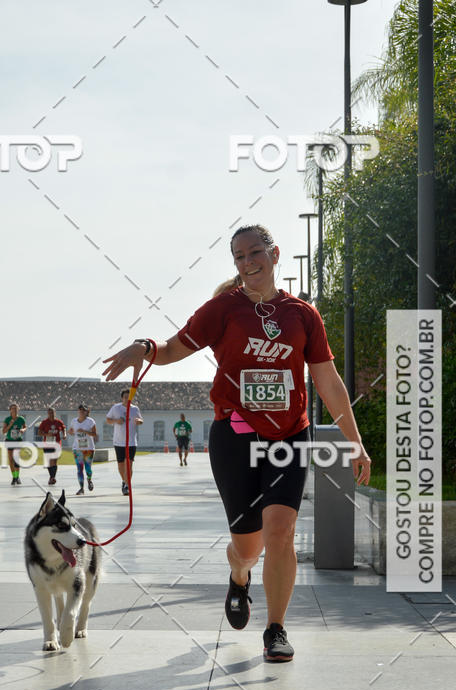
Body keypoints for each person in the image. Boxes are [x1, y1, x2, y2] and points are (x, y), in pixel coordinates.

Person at [103, 223, 371, 663]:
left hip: (288, 436)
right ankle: (239, 574)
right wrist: (144, 346)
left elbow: (327, 379)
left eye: (254, 253)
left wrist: (354, 440)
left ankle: (276, 629)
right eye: (239, 257)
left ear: (274, 254)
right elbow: (173, 349)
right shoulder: (222, 309)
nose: (248, 263)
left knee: (281, 531)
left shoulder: (303, 315)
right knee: (249, 545)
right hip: (236, 438)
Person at [106, 389, 144, 496]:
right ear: (122, 398)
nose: (127, 399)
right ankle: (124, 481)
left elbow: (141, 420)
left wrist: (139, 422)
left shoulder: (135, 409)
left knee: (129, 464)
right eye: (125, 397)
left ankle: (127, 485)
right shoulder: (116, 408)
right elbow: (108, 420)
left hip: (131, 442)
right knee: (121, 466)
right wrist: (116, 421)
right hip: (119, 442)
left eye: (129, 397)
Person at [68, 404, 98, 495]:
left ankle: (89, 480)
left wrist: (85, 431)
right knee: (79, 469)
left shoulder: (90, 421)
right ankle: (81, 488)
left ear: (86, 412)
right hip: (77, 448)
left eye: (83, 410)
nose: (81, 411)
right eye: (80, 410)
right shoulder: (73, 421)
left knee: (88, 468)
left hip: (88, 448)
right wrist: (70, 432)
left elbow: (94, 434)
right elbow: (71, 431)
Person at [38, 407, 66, 485]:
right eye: (50, 413)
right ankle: (52, 477)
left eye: (52, 413)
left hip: (56, 444)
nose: (51, 414)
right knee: (49, 462)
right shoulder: (44, 422)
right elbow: (39, 432)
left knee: (54, 461)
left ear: (55, 413)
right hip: (47, 444)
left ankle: (52, 477)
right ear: (48, 414)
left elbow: (64, 429)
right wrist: (47, 434)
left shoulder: (59, 422)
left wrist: (64, 435)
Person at [2, 403, 26, 485]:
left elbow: (25, 426)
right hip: (9, 440)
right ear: (10, 410)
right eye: (12, 408)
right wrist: (10, 425)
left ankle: (17, 477)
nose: (14, 410)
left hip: (18, 440)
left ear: (18, 409)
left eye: (16, 408)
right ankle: (14, 477)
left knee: (16, 460)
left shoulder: (21, 419)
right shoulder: (7, 419)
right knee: (11, 460)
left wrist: (23, 430)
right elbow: (4, 431)